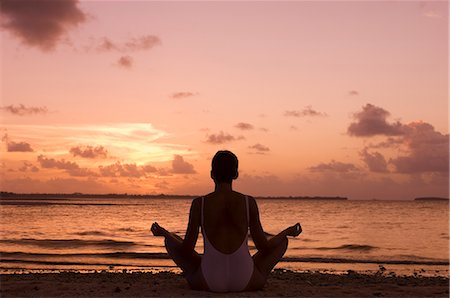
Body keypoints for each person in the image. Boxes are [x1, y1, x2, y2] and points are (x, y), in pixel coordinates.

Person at [151, 150, 302, 292]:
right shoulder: (248, 202)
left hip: (209, 280)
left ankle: (196, 267)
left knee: (172, 240)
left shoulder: (199, 203)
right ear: (235, 174)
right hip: (246, 280)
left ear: (212, 174)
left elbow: (186, 251)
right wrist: (286, 232)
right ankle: (256, 275)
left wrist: (166, 234)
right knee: (282, 241)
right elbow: (264, 248)